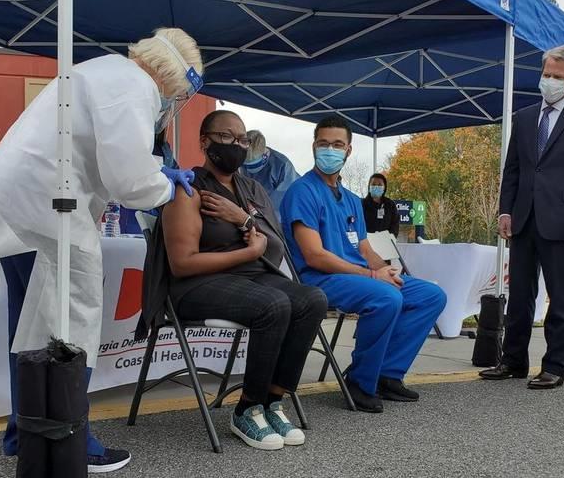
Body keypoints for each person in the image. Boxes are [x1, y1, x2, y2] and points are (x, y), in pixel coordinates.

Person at [0, 28, 203, 472]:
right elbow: (129, 180)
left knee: (33, 328)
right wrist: (163, 183)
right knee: (72, 322)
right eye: (180, 94)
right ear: (175, 78)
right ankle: (70, 440)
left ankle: (25, 434)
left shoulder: (101, 71)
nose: (173, 104)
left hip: (22, 210)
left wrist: (152, 173)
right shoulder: (135, 88)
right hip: (48, 211)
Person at [161, 110, 327, 450]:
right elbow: (181, 264)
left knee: (312, 300)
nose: (236, 145)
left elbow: (276, 246)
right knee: (274, 305)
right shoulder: (189, 189)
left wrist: (243, 218)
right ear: (204, 142)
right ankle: (248, 409)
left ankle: (272, 400)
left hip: (251, 278)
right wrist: (247, 252)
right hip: (197, 284)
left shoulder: (252, 189)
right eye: (226, 137)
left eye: (242, 140)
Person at [280, 116, 446, 413]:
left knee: (431, 295)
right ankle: (359, 381)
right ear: (314, 146)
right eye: (323, 144)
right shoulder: (302, 192)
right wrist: (372, 275)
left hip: (358, 277)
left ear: (349, 151)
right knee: (386, 297)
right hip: (319, 279)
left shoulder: (353, 199)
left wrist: (385, 269)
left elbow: (364, 247)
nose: (329, 150)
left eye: (337, 144)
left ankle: (387, 374)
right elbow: (315, 256)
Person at [481, 45, 564, 389]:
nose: (549, 81)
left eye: (557, 76)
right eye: (546, 75)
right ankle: (512, 361)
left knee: (560, 297)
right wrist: (505, 210)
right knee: (520, 294)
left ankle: (554, 366)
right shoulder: (524, 117)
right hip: (523, 218)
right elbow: (513, 170)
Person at [240, 130, 300, 217]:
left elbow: (280, 206)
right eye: (246, 166)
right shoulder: (238, 163)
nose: (250, 170)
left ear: (264, 155)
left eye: (255, 165)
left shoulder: (282, 165)